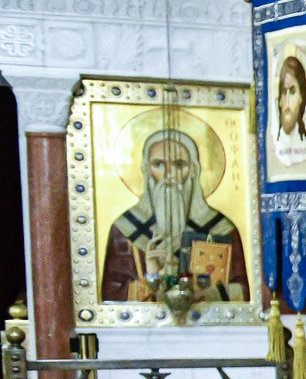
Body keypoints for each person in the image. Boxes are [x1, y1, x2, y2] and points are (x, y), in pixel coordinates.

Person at [102, 128, 250, 303]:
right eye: (158, 164)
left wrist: (209, 293)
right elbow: (111, 295)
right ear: (147, 170)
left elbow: (244, 292)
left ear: (194, 170)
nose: (169, 175)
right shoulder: (126, 228)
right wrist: (152, 277)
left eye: (179, 165)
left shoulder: (220, 228)